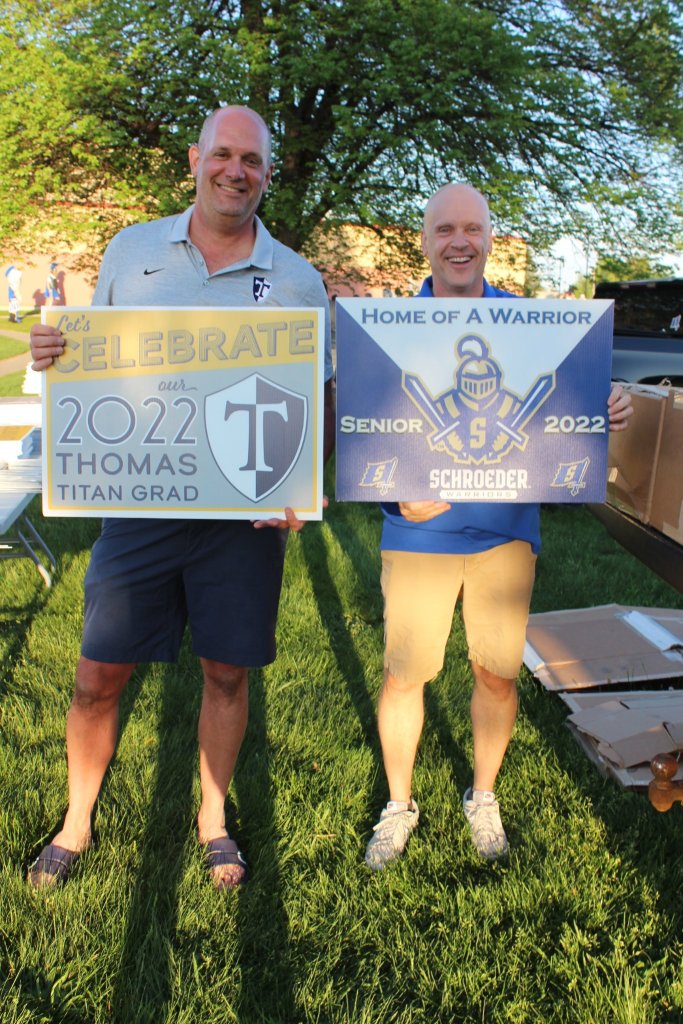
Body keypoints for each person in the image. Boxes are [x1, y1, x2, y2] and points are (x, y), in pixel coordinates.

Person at [28, 105, 335, 890]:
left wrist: (301, 483)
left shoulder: (297, 278)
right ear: (196, 161)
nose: (236, 171)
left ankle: (213, 820)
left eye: (252, 160)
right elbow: (89, 357)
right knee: (97, 674)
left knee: (227, 673)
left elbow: (320, 395)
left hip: (243, 516)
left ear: (268, 173)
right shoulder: (131, 250)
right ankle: (76, 820)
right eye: (223, 155)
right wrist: (54, 350)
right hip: (140, 505)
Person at [364, 183, 633, 870]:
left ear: (489, 237)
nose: (459, 241)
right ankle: (398, 804)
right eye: (444, 229)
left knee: (496, 674)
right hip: (418, 535)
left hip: (505, 534)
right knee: (405, 675)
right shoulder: (390, 329)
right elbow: (369, 429)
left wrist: (604, 406)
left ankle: (482, 794)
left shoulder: (532, 329)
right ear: (424, 241)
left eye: (472, 229)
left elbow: (568, 409)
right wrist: (396, 496)